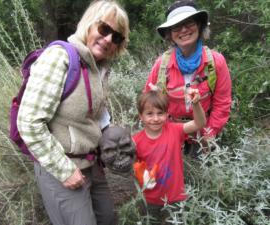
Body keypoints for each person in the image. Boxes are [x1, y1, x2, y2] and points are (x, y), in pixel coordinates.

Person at [17, 1, 129, 225]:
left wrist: (111, 137)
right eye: (104, 29)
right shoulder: (60, 57)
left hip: (91, 164)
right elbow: (29, 122)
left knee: (107, 218)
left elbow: (95, 114)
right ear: (89, 24)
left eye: (116, 37)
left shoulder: (98, 68)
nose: (108, 39)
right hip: (60, 165)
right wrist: (64, 170)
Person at [145, 0, 232, 156]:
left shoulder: (216, 62)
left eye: (189, 23)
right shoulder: (161, 65)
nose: (184, 30)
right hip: (170, 133)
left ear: (199, 26)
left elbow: (222, 103)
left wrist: (209, 134)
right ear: (170, 34)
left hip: (203, 135)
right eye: (177, 27)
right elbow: (148, 103)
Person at [133, 89, 206, 224]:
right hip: (148, 199)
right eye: (149, 114)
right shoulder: (135, 141)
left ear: (167, 114)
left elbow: (199, 123)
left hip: (175, 198)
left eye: (160, 113)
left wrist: (196, 103)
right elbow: (131, 167)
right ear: (140, 116)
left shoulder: (175, 130)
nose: (155, 118)